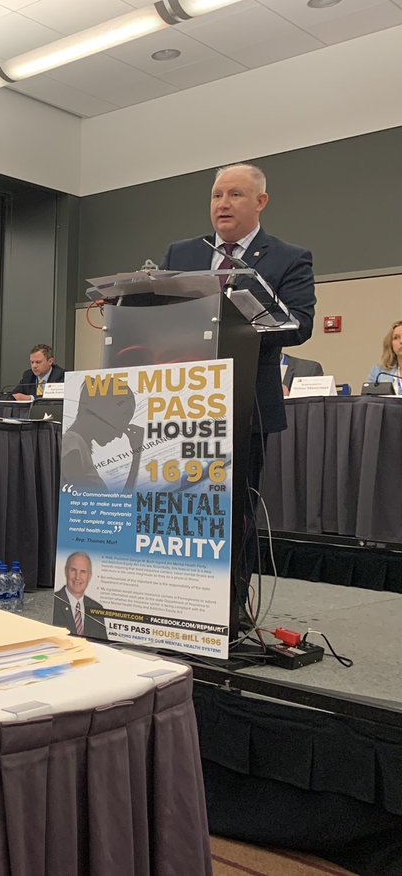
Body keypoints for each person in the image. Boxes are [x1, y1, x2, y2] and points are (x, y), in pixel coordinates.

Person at [160, 162, 315, 592]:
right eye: (216, 195)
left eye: (235, 194)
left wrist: (242, 317)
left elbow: (300, 325)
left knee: (235, 506)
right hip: (182, 401)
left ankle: (231, 601)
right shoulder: (181, 254)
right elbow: (159, 314)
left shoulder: (288, 257)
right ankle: (176, 593)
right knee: (177, 501)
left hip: (247, 403)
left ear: (261, 201)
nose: (223, 204)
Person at [61, 381, 139, 493]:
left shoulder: (77, 445)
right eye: (120, 422)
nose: (120, 434)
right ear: (102, 412)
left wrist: (137, 456)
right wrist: (137, 457)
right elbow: (83, 500)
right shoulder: (72, 445)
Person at [53, 552, 106, 640]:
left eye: (83, 572)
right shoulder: (53, 603)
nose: (77, 577)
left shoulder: (97, 609)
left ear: (89, 576)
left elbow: (103, 643)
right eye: (73, 570)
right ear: (66, 571)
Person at [368, 320, 402, 389]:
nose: (401, 341)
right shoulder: (378, 372)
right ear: (391, 344)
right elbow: (368, 395)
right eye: (396, 338)